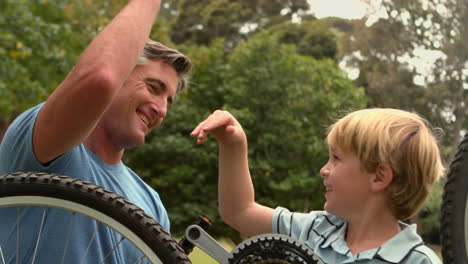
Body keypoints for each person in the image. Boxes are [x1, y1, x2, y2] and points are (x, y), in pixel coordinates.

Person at [0, 0, 191, 263]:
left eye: (169, 100)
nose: (161, 109)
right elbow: (100, 77)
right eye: (153, 88)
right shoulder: (43, 145)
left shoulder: (152, 204)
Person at [191, 108, 444, 263]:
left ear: (379, 177)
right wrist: (234, 144)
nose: (324, 169)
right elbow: (240, 211)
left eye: (336, 158)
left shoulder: (417, 261)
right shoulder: (315, 230)